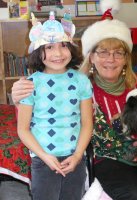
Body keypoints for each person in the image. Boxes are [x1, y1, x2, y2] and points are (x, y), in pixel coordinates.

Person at [12, 2, 137, 200]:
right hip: (109, 160)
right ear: (91, 57)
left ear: (126, 58)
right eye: (103, 52)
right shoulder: (80, 87)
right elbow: (42, 116)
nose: (111, 59)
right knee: (134, 195)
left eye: (118, 52)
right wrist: (18, 98)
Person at [16, 12, 93, 200]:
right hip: (43, 160)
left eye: (63, 46)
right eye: (49, 47)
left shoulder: (81, 81)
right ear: (37, 51)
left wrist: (77, 155)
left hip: (74, 158)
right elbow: (23, 129)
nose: (57, 54)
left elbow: (87, 123)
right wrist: (43, 156)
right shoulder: (30, 84)